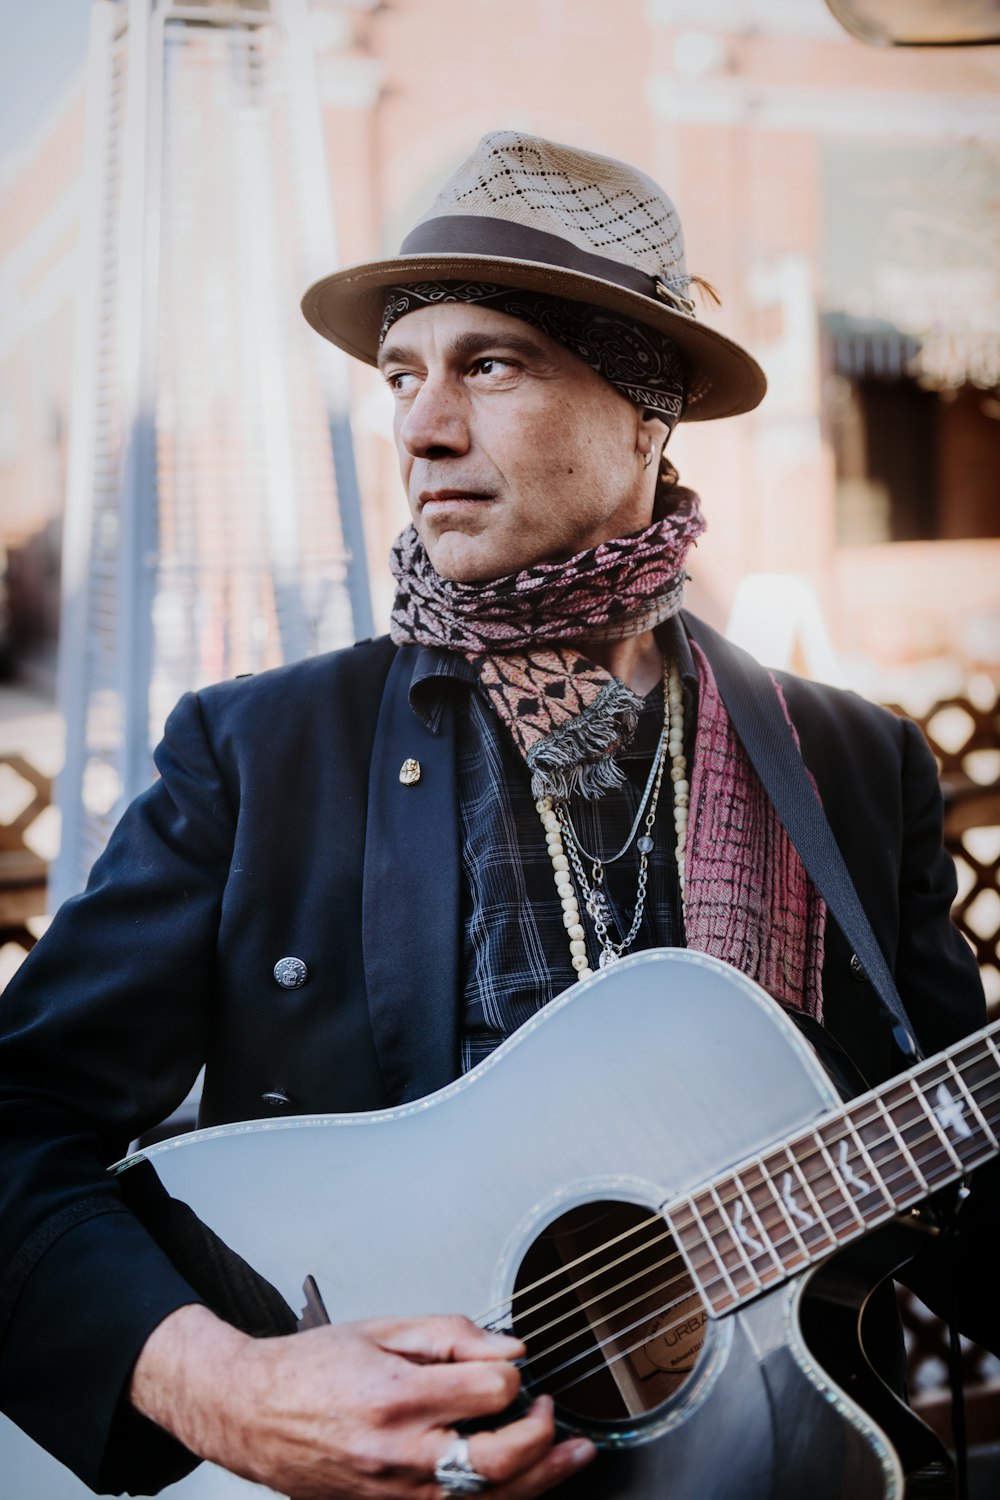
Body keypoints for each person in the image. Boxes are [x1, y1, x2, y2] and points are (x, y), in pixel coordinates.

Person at [0, 131, 995, 1500]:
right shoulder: (259, 754)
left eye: (493, 364)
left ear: (651, 410)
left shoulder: (849, 764)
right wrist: (222, 1388)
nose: (422, 426)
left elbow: (958, 1186)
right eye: (405, 375)